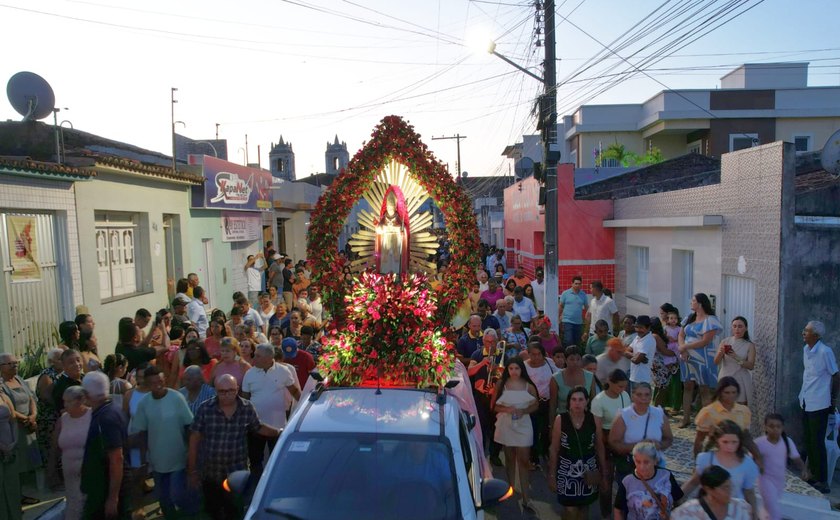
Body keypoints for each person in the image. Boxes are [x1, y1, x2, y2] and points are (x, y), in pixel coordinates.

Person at [188, 374, 282, 520]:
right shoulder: (205, 408)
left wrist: (280, 432)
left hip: (236, 474)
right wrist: (192, 471)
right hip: (211, 473)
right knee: (213, 511)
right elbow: (194, 439)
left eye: (231, 390)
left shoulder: (246, 408)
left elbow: (258, 427)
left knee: (235, 511)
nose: (227, 395)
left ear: (237, 389)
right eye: (222, 391)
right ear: (216, 391)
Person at [130, 365, 198, 519]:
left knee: (177, 495)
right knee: (164, 499)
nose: (158, 385)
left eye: (160, 381)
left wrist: (191, 455)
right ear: (147, 385)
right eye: (153, 383)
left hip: (178, 459)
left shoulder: (177, 398)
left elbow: (189, 426)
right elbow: (141, 432)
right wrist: (140, 460)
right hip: (157, 461)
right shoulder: (144, 404)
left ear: (164, 380)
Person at [548, 385, 606, 520]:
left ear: (587, 401)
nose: (577, 403)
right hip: (566, 470)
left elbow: (600, 446)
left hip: (588, 470)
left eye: (581, 399)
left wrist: (604, 473)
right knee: (569, 509)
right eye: (574, 399)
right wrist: (551, 475)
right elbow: (554, 448)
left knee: (584, 508)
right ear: (569, 402)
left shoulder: (594, 419)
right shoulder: (560, 419)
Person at [682, 420, 759, 520]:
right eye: (725, 442)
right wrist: (677, 497)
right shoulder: (706, 459)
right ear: (717, 440)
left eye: (734, 442)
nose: (730, 447)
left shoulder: (747, 463)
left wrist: (755, 515)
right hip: (708, 510)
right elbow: (694, 482)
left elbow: (749, 492)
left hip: (734, 512)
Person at [491, 358, 539, 512]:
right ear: (507, 370)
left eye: (517, 368)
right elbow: (494, 406)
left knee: (524, 460)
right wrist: (508, 410)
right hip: (507, 424)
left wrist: (523, 411)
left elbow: (535, 404)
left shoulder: (528, 386)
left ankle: (526, 497)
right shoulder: (501, 384)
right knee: (510, 458)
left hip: (523, 424)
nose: (514, 371)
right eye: (511, 368)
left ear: (521, 369)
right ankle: (510, 489)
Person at [798, 320, 839, 494]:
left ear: (816, 335)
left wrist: (833, 400)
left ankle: (823, 480)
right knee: (809, 440)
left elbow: (836, 375)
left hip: (820, 403)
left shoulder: (825, 351)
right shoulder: (806, 350)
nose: (803, 333)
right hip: (806, 399)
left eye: (806, 331)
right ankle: (812, 475)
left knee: (818, 442)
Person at [80, 371, 128, 520]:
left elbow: (116, 458)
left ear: (86, 394)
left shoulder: (106, 418)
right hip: (101, 488)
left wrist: (112, 498)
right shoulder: (111, 410)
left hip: (104, 491)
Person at [608, 383, 673, 481]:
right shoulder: (623, 416)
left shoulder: (659, 414)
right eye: (639, 395)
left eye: (647, 395)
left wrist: (659, 445)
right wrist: (639, 446)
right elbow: (614, 442)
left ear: (651, 396)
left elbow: (668, 438)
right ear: (633, 396)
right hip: (631, 465)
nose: (643, 398)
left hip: (655, 464)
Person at [0, 353, 40, 505]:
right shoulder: (1, 386)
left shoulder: (20, 379)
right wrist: (25, 419)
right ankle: (18, 496)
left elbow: (31, 398)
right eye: (9, 364)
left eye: (15, 363)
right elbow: (8, 409)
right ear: (1, 367)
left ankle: (27, 491)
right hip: (16, 428)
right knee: (18, 463)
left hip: (29, 425)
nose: (14, 366)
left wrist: (33, 415)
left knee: (31, 459)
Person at [677, 293, 723, 427]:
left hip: (703, 358)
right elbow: (681, 334)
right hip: (687, 357)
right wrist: (683, 349)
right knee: (687, 385)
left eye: (693, 301)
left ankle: (706, 421)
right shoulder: (689, 318)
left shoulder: (711, 320)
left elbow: (705, 341)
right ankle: (686, 418)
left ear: (700, 303)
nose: (691, 303)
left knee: (704, 388)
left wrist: (685, 346)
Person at [591, 369, 631, 519]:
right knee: (606, 481)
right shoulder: (599, 401)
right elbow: (598, 431)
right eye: (620, 386)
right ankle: (606, 513)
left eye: (624, 386)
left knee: (625, 479)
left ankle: (623, 511)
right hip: (605, 440)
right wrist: (601, 455)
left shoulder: (625, 396)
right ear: (610, 383)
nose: (623, 390)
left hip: (621, 440)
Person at [48, 386, 91, 520]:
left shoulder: (93, 416)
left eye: (69, 401)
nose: (65, 405)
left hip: (90, 472)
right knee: (74, 504)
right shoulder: (63, 420)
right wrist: (51, 469)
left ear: (80, 400)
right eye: (64, 401)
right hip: (70, 473)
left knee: (89, 504)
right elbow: (54, 446)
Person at [614, 441, 684, 520]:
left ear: (655, 461)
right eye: (638, 461)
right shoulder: (627, 481)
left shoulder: (666, 476)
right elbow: (618, 510)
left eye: (646, 462)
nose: (642, 467)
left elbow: (679, 501)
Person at [693, 377, 754, 458]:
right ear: (720, 393)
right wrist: (698, 462)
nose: (731, 396)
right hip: (715, 455)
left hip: (738, 455)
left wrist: (757, 456)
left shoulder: (744, 411)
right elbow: (699, 440)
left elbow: (746, 437)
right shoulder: (708, 412)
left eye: (733, 392)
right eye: (727, 393)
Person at [672, 465, 752, 520]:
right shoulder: (687, 512)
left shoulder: (741, 507)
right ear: (708, 489)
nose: (729, 491)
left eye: (730, 486)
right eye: (724, 488)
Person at [524, 342, 557, 469]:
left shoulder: (549, 363)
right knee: (533, 430)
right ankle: (533, 457)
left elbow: (556, 376)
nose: (536, 357)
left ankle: (545, 453)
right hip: (531, 404)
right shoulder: (525, 366)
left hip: (547, 401)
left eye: (539, 354)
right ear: (529, 354)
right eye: (533, 354)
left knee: (546, 428)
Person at [549, 346, 597, 422]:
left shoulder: (590, 377)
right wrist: (551, 425)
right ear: (565, 360)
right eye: (571, 359)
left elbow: (594, 402)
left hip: (584, 420)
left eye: (578, 359)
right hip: (563, 419)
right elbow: (553, 405)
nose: (575, 362)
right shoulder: (556, 378)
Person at [715, 316, 756, 405]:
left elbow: (751, 366)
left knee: (740, 408)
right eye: (734, 326)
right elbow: (716, 362)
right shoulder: (725, 341)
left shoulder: (749, 345)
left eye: (740, 326)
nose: (737, 329)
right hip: (725, 377)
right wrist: (720, 353)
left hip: (741, 378)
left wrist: (735, 357)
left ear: (746, 328)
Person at [35, 348, 63, 467]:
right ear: (52, 361)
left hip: (58, 416)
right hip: (49, 418)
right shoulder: (47, 375)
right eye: (60, 359)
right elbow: (46, 397)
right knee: (51, 448)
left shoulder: (61, 374)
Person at [0, 389, 21, 520]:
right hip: (2, 449)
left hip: (10, 447)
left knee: (13, 486)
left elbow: (13, 419)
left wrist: (13, 442)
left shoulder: (3, 396)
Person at [627, 315, 656, 389]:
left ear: (648, 328)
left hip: (642, 379)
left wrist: (638, 358)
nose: (638, 330)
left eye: (641, 327)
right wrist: (639, 357)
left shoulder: (648, 340)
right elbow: (626, 351)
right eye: (636, 327)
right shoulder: (637, 337)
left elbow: (636, 360)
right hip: (634, 377)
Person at [53, 349, 84, 415]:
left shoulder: (86, 378)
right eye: (71, 363)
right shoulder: (62, 386)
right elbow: (61, 411)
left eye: (78, 360)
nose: (76, 364)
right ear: (64, 366)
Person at [559, 276, 588, 346]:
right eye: (576, 283)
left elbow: (587, 308)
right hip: (567, 321)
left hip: (578, 323)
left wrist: (588, 320)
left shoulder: (583, 295)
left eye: (579, 284)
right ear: (572, 284)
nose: (578, 285)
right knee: (568, 341)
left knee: (577, 342)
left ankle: (576, 356)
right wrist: (559, 319)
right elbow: (560, 306)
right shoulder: (565, 293)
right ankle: (567, 356)